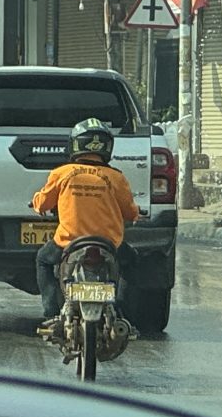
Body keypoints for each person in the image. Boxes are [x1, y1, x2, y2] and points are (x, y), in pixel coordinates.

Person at [28, 117, 139, 327]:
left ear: (76, 145)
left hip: (68, 243)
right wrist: (135, 214)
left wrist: (36, 203)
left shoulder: (62, 173)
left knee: (43, 260)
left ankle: (51, 312)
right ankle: (122, 310)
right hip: (109, 245)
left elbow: (42, 203)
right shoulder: (116, 177)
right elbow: (129, 210)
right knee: (131, 260)